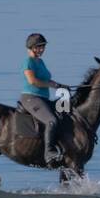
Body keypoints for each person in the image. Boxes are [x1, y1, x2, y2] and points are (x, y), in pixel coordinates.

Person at [19, 32, 71, 165]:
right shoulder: (28, 62)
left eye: (43, 47)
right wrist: (51, 85)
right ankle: (49, 152)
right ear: (32, 47)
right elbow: (33, 81)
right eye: (39, 47)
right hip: (31, 98)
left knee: (63, 115)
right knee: (51, 121)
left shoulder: (40, 62)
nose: (42, 50)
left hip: (43, 98)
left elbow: (47, 80)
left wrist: (59, 85)